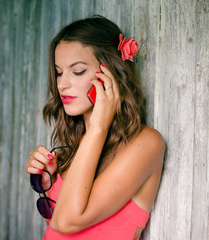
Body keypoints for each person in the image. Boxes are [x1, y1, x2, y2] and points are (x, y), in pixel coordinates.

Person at [25, 15, 165, 240]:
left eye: (78, 71)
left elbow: (66, 222)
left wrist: (99, 126)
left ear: (110, 74)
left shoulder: (146, 143)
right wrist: (49, 185)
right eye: (59, 72)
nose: (62, 84)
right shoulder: (79, 143)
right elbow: (58, 229)